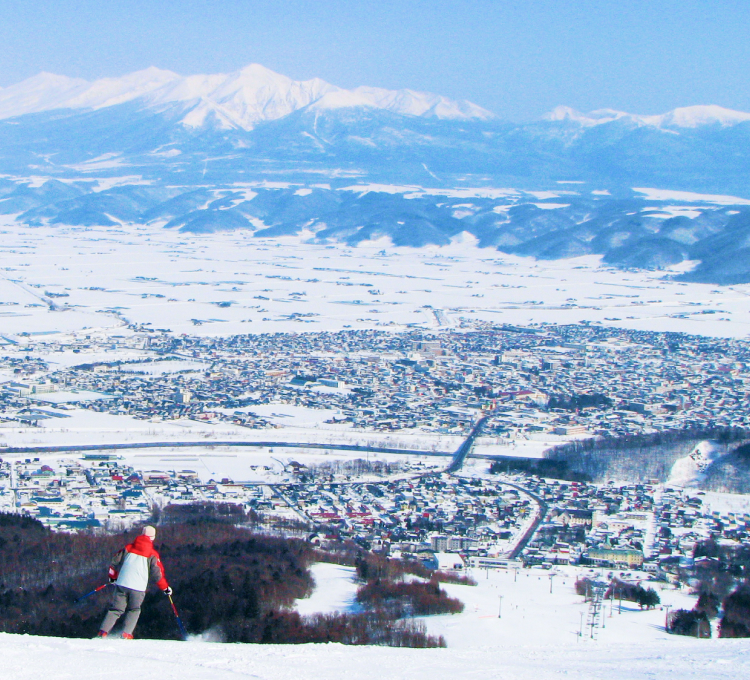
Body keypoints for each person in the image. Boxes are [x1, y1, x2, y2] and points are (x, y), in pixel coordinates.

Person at [97, 525, 172, 639]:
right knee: (134, 609)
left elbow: (114, 562)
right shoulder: (152, 555)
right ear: (152, 537)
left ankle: (103, 632)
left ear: (141, 534)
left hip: (122, 583)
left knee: (116, 609)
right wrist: (165, 588)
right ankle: (126, 633)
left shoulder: (128, 548)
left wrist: (112, 577)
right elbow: (157, 575)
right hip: (138, 587)